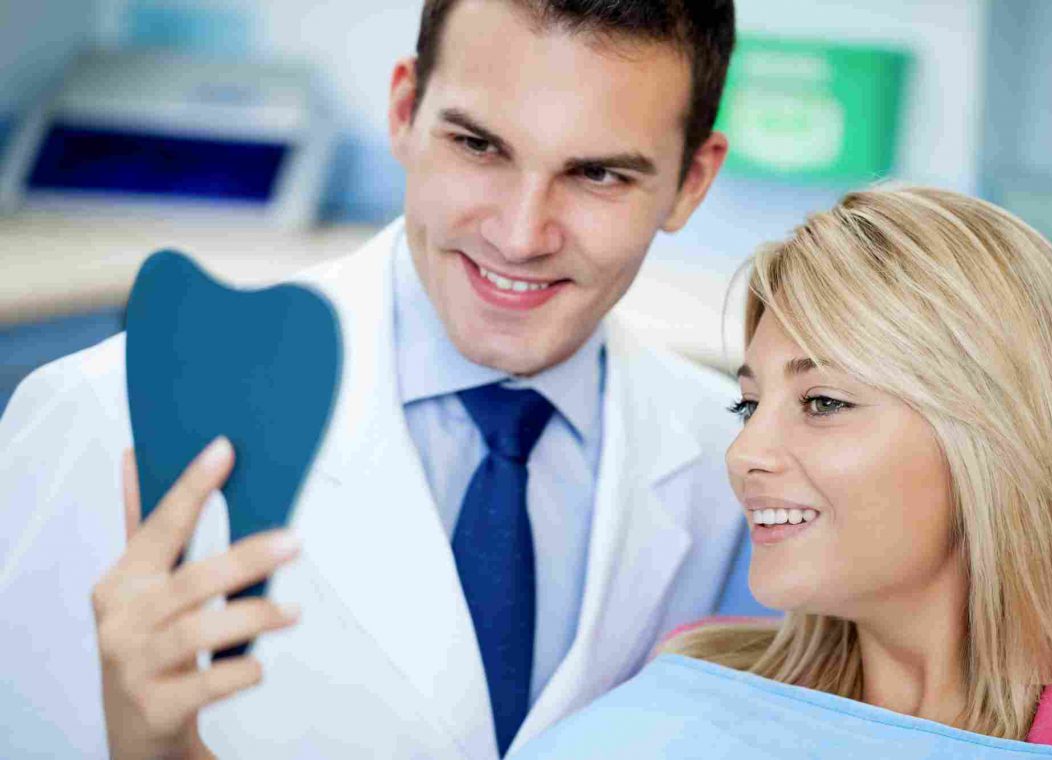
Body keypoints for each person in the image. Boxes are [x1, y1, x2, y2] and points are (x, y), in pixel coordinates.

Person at [0, 1, 744, 758]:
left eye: (598, 175)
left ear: (691, 181)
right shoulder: (105, 417)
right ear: (404, 112)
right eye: (478, 145)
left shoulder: (735, 465)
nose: (521, 236)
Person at [509, 187, 1052, 757]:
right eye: (748, 406)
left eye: (823, 403)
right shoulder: (697, 684)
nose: (744, 453)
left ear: (997, 439)